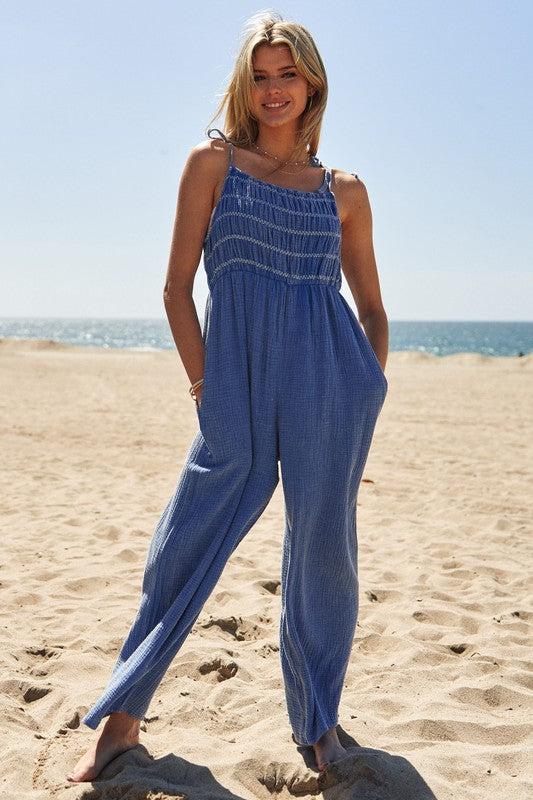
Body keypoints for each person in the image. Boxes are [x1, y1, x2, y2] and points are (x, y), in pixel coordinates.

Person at [67, 10, 388, 783]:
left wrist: (365, 387)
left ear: (311, 83)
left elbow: (372, 307)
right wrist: (206, 383)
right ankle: (119, 721)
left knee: (322, 555)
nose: (274, 89)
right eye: (261, 74)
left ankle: (317, 725)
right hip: (235, 381)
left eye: (288, 74)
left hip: (328, 389)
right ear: (244, 84)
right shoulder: (213, 166)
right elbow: (177, 288)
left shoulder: (342, 190)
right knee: (183, 544)